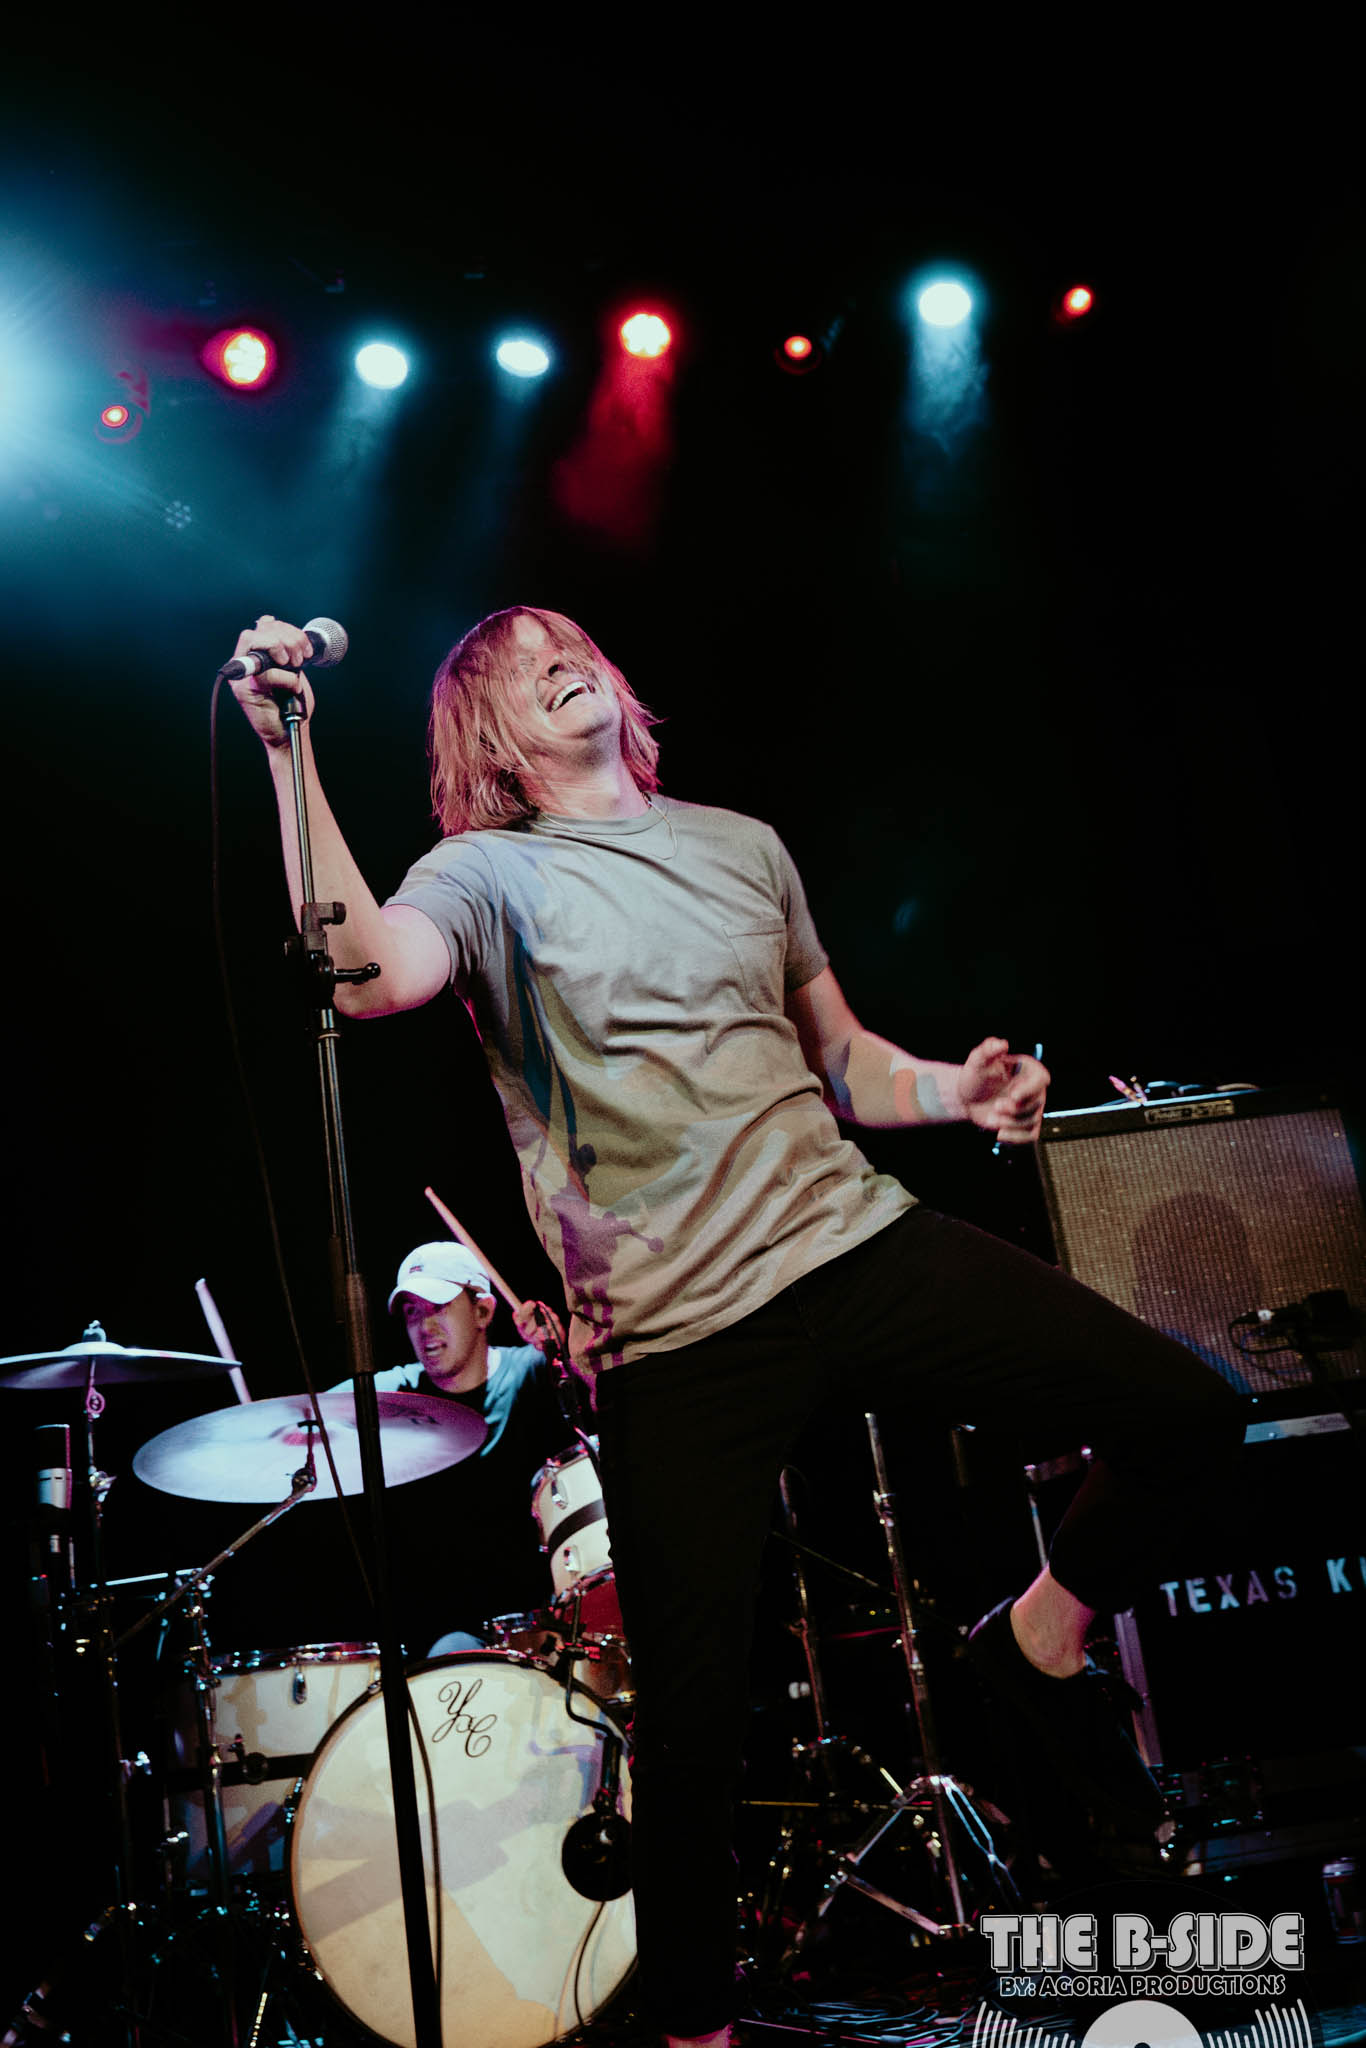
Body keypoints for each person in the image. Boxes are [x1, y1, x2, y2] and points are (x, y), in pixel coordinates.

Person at [228, 606, 1243, 2048]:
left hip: (849, 1240)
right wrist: (289, 753)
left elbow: (840, 1061)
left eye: (568, 641)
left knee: (1190, 1413)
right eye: (516, 662)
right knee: (697, 1722)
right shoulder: (484, 871)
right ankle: (695, 2033)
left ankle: (1031, 1640)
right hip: (679, 1332)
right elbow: (370, 971)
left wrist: (953, 1090)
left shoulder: (741, 846)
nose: (554, 658)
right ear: (490, 735)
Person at [331, 1237, 571, 1657]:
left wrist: (562, 1351)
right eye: (412, 1312)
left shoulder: (534, 1373)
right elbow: (313, 1413)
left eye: (438, 1307)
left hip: (545, 1618)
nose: (424, 1328)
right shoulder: (399, 1393)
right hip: (446, 1632)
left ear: (483, 1312)